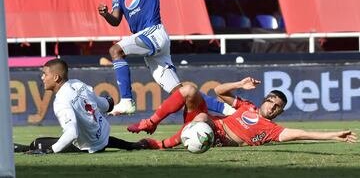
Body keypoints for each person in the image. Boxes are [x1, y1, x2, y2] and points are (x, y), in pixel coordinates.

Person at [97, 0, 207, 116]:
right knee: (180, 94)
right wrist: (106, 14)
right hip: (150, 48)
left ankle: (126, 101)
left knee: (115, 51)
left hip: (154, 34)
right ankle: (216, 115)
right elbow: (115, 21)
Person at [127, 77, 357, 149]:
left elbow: (299, 133)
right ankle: (151, 122)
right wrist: (240, 83)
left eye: (276, 106)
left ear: (280, 112)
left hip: (215, 136)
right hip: (205, 125)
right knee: (188, 89)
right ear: (264, 100)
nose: (271, 106)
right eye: (270, 101)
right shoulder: (248, 107)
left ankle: (163, 144)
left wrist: (333, 135)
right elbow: (217, 91)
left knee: (204, 119)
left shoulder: (272, 131)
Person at [14, 58, 139, 154]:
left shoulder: (61, 100)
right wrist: (110, 102)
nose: (42, 77)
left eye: (45, 74)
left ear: (56, 77)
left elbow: (72, 133)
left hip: (90, 146)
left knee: (37, 143)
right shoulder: (78, 83)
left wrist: (50, 150)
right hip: (103, 136)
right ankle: (135, 145)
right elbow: (103, 105)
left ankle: (17, 148)